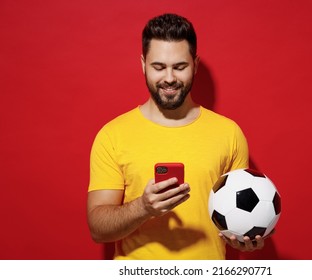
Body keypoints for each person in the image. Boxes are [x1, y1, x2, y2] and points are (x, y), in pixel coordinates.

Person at [87, 13, 270, 260]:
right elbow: (98, 229)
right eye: (158, 67)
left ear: (194, 64)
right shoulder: (112, 135)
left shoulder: (229, 133)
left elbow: (237, 215)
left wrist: (244, 235)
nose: (170, 78)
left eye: (180, 67)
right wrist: (143, 207)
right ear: (143, 64)